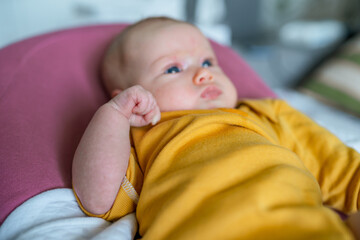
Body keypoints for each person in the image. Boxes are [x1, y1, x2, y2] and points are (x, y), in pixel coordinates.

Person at [72, 17, 360, 239]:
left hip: (301, 227)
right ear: (131, 95)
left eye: (208, 61)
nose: (205, 73)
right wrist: (113, 117)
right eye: (173, 69)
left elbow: (341, 168)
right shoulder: (143, 137)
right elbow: (98, 199)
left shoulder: (267, 114)